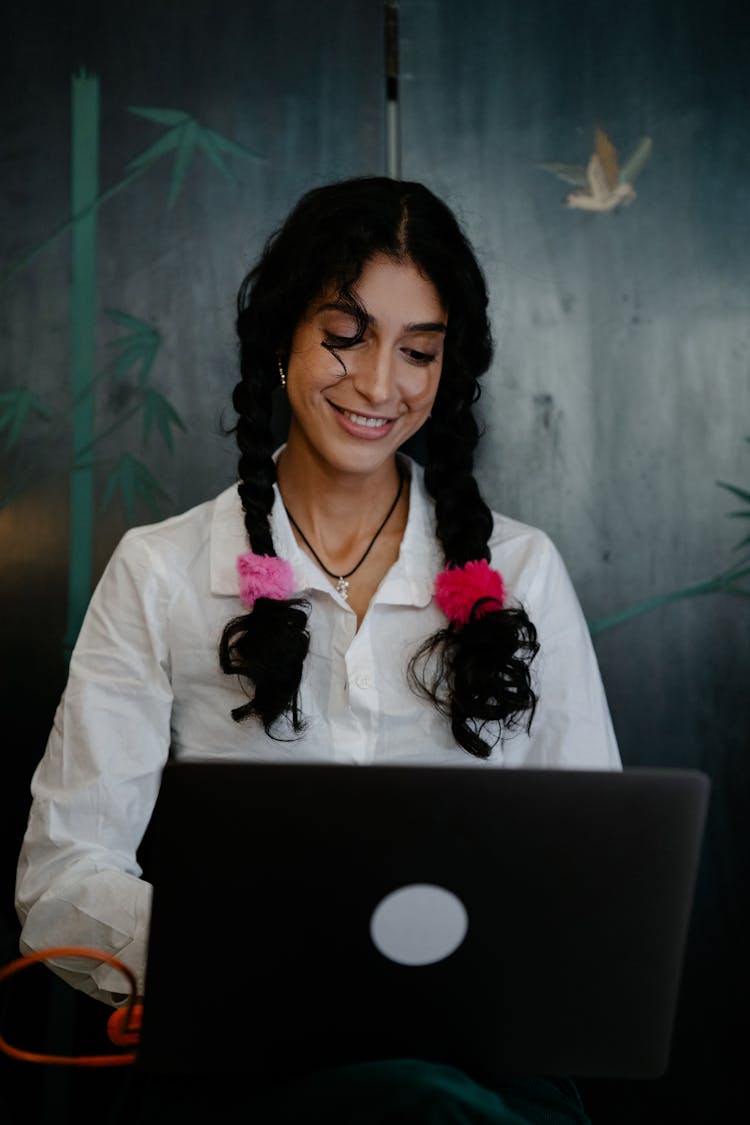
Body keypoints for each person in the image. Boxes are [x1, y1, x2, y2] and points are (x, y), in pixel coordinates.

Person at [15, 176, 621, 1123]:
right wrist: (216, 959)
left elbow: (600, 872)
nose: (381, 384)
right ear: (282, 335)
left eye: (418, 350)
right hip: (245, 1058)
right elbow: (62, 877)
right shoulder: (162, 571)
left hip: (480, 1058)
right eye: (346, 336)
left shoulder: (521, 570)